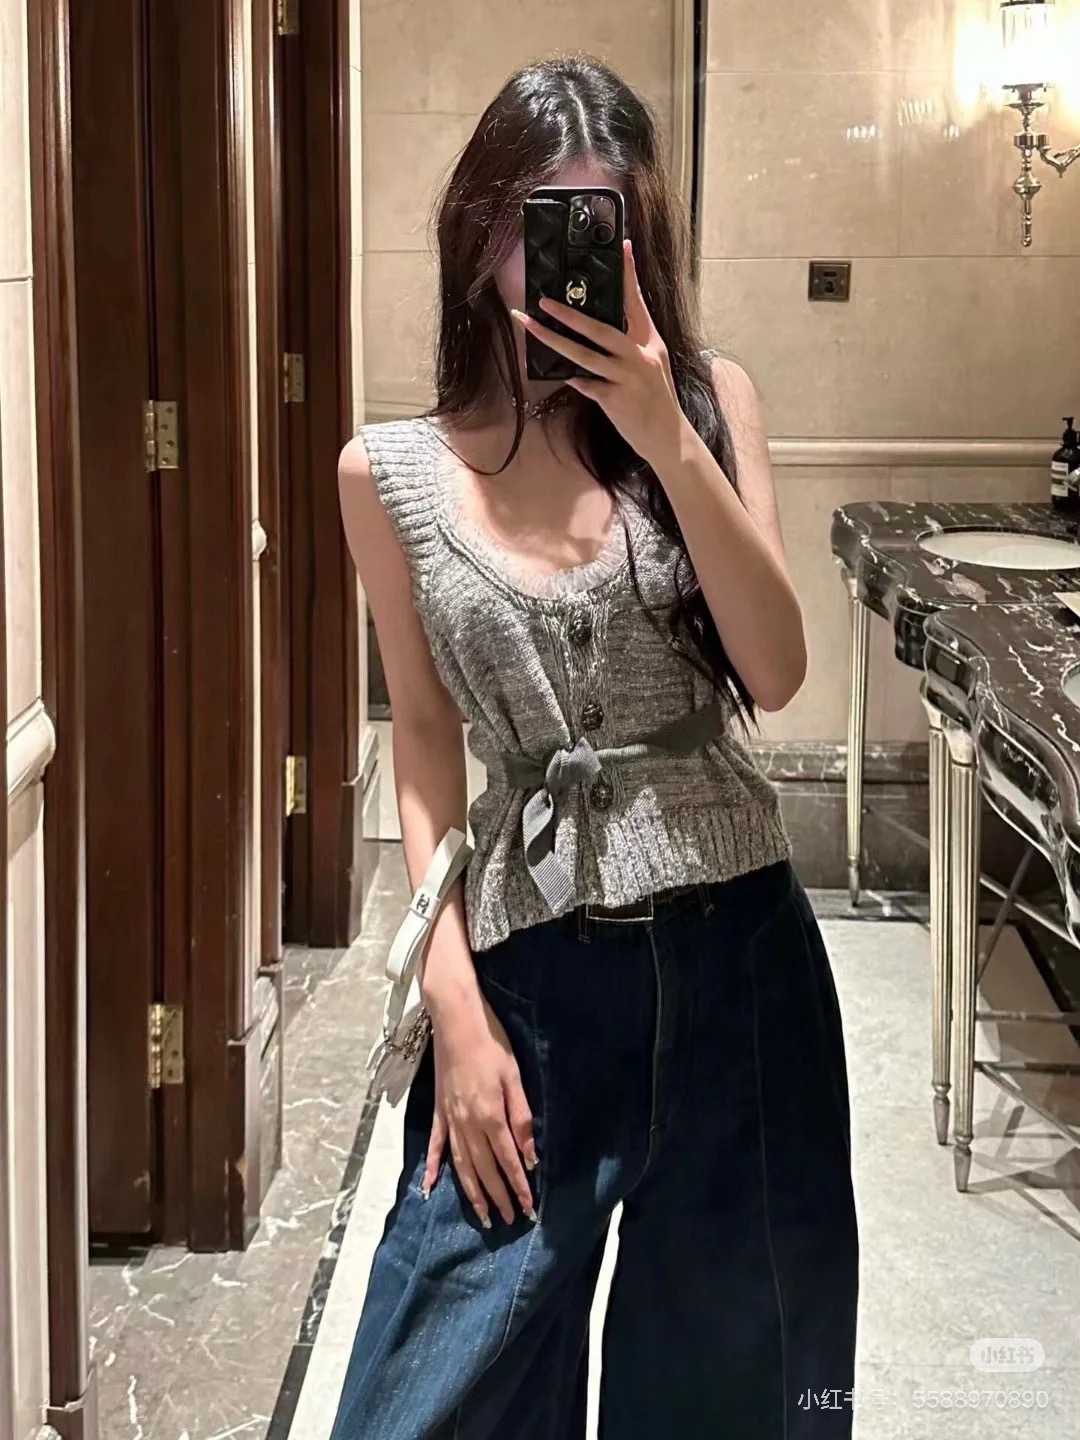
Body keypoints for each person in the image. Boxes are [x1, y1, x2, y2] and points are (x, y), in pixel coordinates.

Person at [331, 53, 858, 1440]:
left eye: (593, 224)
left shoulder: (710, 405)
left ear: (640, 241)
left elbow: (777, 670)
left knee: (743, 1394)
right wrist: (451, 1008)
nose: (553, 263)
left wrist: (665, 435)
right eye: (531, 223)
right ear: (477, 233)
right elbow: (425, 743)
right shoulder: (390, 472)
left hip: (742, 961)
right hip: (531, 979)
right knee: (430, 1391)